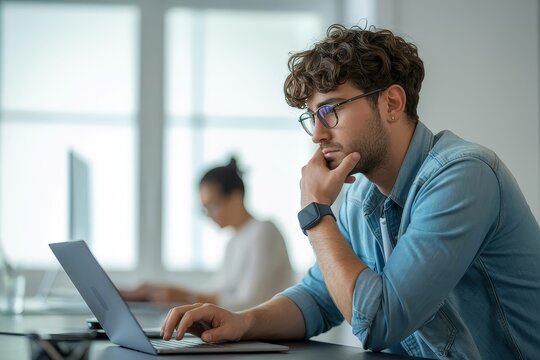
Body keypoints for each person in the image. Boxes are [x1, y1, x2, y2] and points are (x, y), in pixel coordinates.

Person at [159, 24, 540, 358]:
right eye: (312, 117)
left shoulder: (462, 175)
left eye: (331, 111)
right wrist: (243, 322)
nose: (318, 134)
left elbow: (379, 322)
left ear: (391, 102)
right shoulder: (362, 195)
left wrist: (316, 214)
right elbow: (319, 296)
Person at [122, 158, 294, 311]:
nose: (210, 215)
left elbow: (249, 302)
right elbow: (214, 290)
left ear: (236, 198)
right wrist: (159, 291)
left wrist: (186, 297)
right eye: (205, 209)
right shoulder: (234, 241)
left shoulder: (263, 232)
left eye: (212, 206)